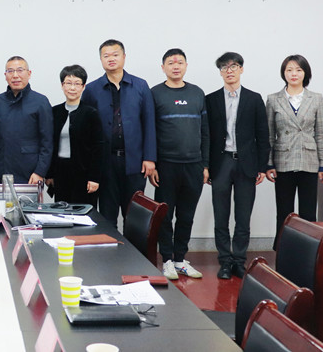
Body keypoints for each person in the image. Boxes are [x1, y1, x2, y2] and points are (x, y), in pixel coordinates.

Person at [206, 52, 270, 280]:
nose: (229, 71)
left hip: (246, 164)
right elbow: (206, 136)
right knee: (221, 215)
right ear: (220, 72)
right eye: (224, 67)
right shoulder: (211, 99)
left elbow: (263, 135)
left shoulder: (254, 99)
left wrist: (262, 166)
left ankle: (239, 260)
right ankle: (225, 261)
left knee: (243, 217)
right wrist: (206, 166)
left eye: (233, 66)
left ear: (241, 69)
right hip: (221, 162)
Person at [80, 39, 156, 229]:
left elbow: (149, 123)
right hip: (106, 162)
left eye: (115, 54)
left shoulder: (140, 86)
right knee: (107, 214)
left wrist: (149, 158)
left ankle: (134, 250)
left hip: (135, 162)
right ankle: (110, 248)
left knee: (134, 215)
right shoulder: (92, 89)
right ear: (101, 59)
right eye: (106, 56)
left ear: (124, 57)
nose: (111, 59)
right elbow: (87, 130)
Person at [151, 48, 209, 280]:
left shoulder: (197, 93)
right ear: (163, 67)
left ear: (186, 66)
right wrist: (153, 164)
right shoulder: (155, 93)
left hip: (194, 165)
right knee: (165, 215)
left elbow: (205, 132)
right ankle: (166, 260)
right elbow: (150, 132)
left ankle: (180, 259)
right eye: (171, 62)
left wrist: (205, 164)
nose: (176, 66)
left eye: (180, 62)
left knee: (186, 215)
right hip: (166, 165)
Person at [266, 54, 323, 247]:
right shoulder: (273, 99)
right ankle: (282, 251)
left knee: (308, 214)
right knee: (284, 212)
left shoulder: (316, 99)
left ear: (305, 73)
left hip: (309, 161)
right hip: (283, 162)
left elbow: (322, 133)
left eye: (298, 70)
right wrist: (268, 163)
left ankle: (309, 253)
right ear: (283, 73)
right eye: (289, 70)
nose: (294, 74)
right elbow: (268, 135)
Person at [0, 56, 53, 185]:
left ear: (29, 73)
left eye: (20, 70)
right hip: (1, 170)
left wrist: (40, 172)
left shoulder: (40, 101)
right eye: (10, 71)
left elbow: (47, 142)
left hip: (29, 172)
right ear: (5, 75)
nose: (15, 75)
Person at [46, 65, 104, 205]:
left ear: (83, 87)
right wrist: (49, 174)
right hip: (60, 172)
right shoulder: (54, 112)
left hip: (83, 173)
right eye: (68, 83)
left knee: (82, 212)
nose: (72, 88)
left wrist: (94, 178)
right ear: (62, 85)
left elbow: (98, 147)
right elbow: (49, 144)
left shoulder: (91, 113)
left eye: (77, 84)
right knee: (62, 211)